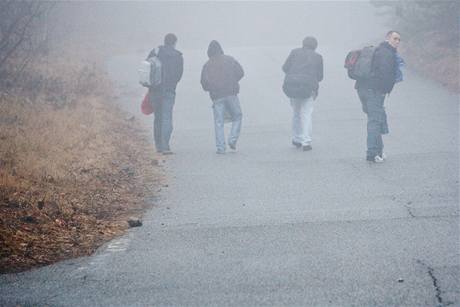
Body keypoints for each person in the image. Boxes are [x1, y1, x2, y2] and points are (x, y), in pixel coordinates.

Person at [355, 30, 401, 163]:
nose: (397, 41)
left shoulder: (378, 51)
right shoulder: (387, 54)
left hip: (362, 89)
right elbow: (386, 75)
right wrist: (385, 90)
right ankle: (371, 153)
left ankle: (379, 151)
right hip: (374, 91)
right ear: (388, 38)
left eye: (399, 39)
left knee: (375, 118)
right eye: (395, 38)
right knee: (374, 121)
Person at [200, 40, 244, 154]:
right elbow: (241, 72)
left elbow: (204, 82)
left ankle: (220, 147)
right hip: (231, 93)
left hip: (216, 96)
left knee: (218, 122)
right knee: (237, 116)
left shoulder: (207, 64)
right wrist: (233, 81)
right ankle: (232, 139)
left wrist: (211, 88)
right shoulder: (230, 60)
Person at [282, 36, 323, 151]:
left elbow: (285, 68)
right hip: (307, 88)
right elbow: (320, 77)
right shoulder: (318, 57)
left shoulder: (294, 52)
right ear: (315, 46)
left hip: (292, 87)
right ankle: (306, 141)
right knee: (306, 113)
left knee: (296, 112)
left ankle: (296, 138)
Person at [147, 33, 183, 155]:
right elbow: (179, 75)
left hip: (155, 90)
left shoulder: (155, 52)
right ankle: (165, 146)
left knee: (158, 118)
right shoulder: (178, 56)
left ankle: (158, 146)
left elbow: (147, 69)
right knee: (167, 117)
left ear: (164, 41)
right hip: (169, 90)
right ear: (174, 43)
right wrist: (172, 84)